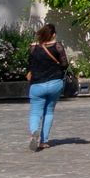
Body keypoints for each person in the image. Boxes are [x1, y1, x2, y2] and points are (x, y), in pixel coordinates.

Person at [25, 22, 70, 151]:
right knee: (49, 111)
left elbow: (30, 65)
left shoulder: (33, 48)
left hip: (37, 84)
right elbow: (64, 65)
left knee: (35, 112)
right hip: (55, 84)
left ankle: (34, 132)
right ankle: (44, 141)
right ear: (53, 35)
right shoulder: (58, 47)